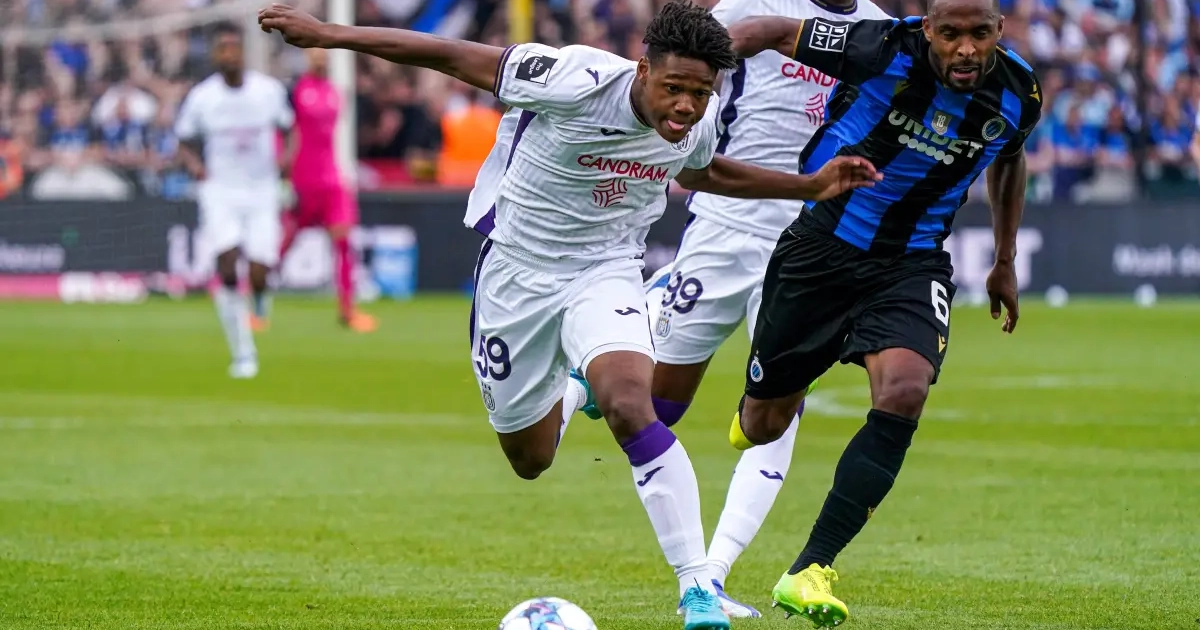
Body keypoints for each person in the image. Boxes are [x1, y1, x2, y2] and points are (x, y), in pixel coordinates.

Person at [259, 2, 879, 628]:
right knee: (530, 459)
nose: (687, 106)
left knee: (631, 404)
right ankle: (570, 387)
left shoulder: (699, 120)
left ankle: (697, 588)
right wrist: (329, 34)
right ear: (643, 70)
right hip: (516, 274)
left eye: (700, 92)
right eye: (674, 88)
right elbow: (447, 54)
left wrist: (806, 186)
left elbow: (703, 172)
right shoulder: (572, 78)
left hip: (606, 269)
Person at [725, 0, 1041, 625]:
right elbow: (770, 30)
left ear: (999, 31)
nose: (966, 49)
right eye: (950, 34)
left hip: (911, 264)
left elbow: (1010, 157)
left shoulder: (1019, 93)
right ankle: (770, 393)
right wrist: (695, 71)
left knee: (904, 391)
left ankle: (810, 568)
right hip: (820, 250)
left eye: (980, 34)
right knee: (763, 427)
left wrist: (1004, 258)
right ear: (927, 28)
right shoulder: (879, 46)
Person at [641, 0, 891, 618]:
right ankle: (638, 316)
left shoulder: (881, 31)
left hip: (809, 240)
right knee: (658, 405)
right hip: (725, 223)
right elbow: (679, 78)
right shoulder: (751, 8)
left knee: (781, 415)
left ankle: (713, 575)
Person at [176, 22, 295, 379]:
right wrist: (195, 167)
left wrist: (285, 162)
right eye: (222, 48)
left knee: (258, 271)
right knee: (227, 265)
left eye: (233, 47)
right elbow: (183, 141)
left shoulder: (268, 91)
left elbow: (290, 130)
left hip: (261, 190)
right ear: (214, 55)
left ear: (243, 52)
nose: (228, 53)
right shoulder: (202, 97)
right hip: (221, 190)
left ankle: (259, 297)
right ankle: (243, 352)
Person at [276, 48, 378, 333]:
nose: (321, 61)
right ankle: (252, 297)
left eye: (325, 57)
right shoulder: (295, 92)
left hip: (331, 179)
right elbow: (285, 134)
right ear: (308, 59)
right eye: (316, 56)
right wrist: (284, 173)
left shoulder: (335, 92)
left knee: (343, 242)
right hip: (303, 179)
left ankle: (347, 310)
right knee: (284, 242)